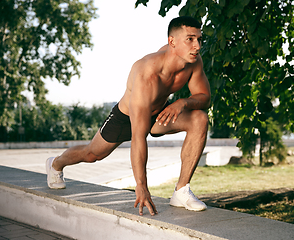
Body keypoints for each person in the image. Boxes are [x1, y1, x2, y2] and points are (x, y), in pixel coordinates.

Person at [46, 16, 211, 216]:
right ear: (172, 41)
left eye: (199, 40)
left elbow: (204, 97)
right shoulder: (146, 73)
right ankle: (56, 163)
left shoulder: (193, 62)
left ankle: (181, 191)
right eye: (190, 39)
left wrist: (182, 102)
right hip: (125, 117)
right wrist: (141, 185)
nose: (197, 46)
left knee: (199, 119)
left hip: (160, 113)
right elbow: (138, 137)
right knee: (92, 154)